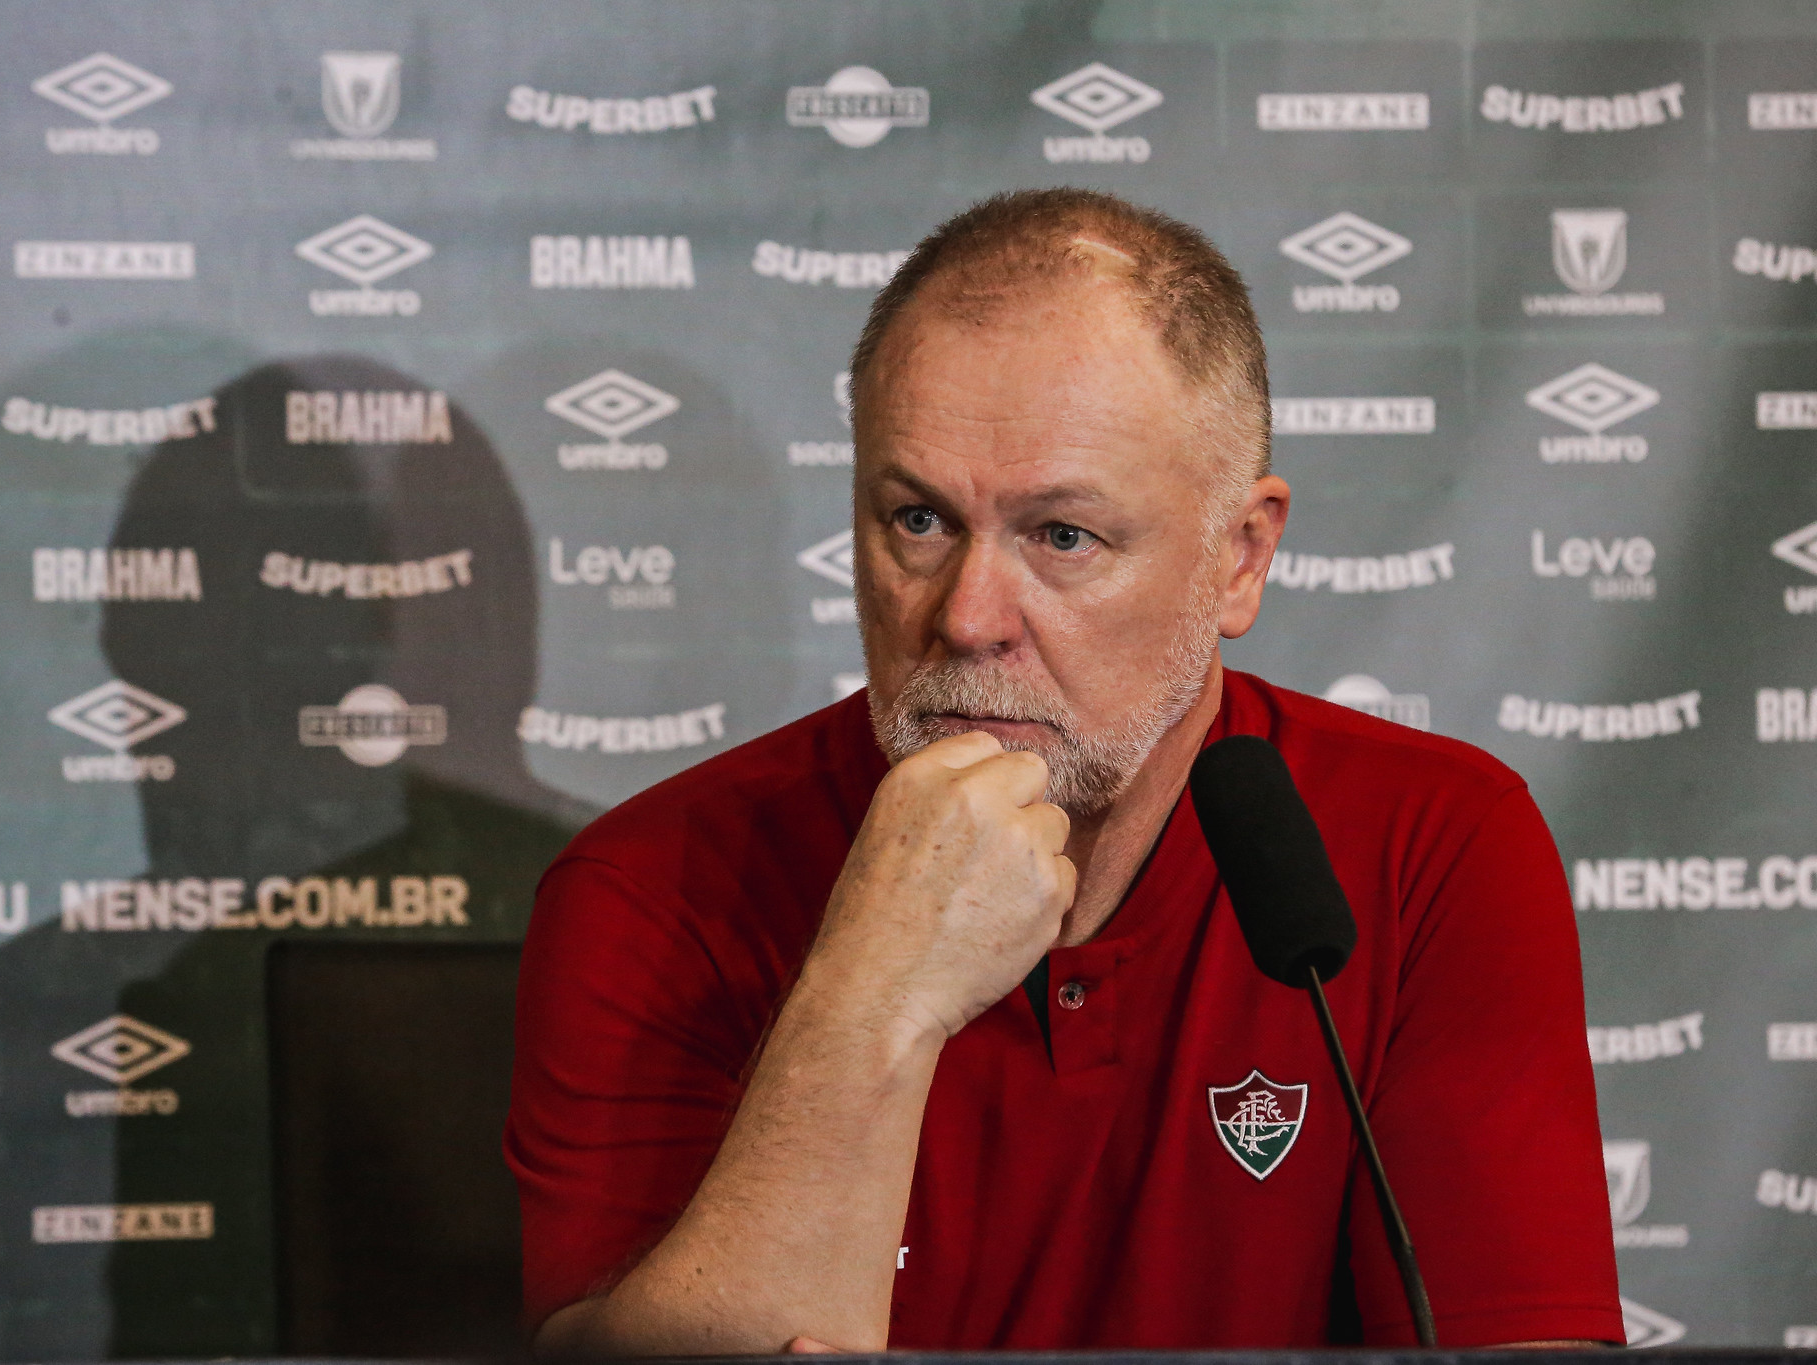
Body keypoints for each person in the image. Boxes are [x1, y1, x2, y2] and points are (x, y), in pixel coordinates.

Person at [505, 189, 1621, 1353]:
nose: (969, 617)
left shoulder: (1428, 843)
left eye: (1062, 536)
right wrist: (872, 992)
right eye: (918, 520)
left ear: (1238, 558)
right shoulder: (651, 884)